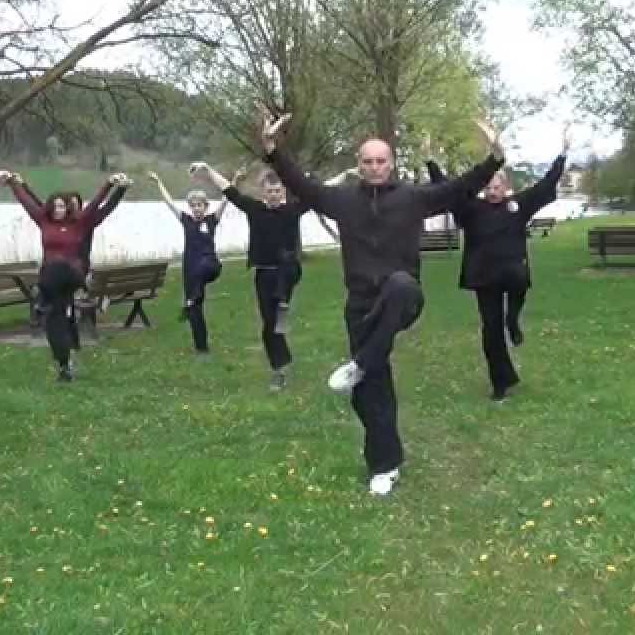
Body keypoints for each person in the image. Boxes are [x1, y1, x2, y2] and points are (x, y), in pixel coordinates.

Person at [257, 107, 504, 495]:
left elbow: (460, 188)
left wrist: (494, 159)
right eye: (367, 161)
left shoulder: (414, 198)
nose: (374, 167)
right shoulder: (341, 201)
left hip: (403, 298)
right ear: (358, 165)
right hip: (361, 305)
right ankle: (385, 465)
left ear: (391, 164)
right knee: (371, 393)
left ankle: (359, 363)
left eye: (381, 161)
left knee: (402, 284)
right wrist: (272, 150)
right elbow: (301, 184)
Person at [426, 126, 570, 402]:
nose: (493, 191)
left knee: (515, 294)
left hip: (514, 273)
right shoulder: (471, 209)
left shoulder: (519, 204)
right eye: (488, 187)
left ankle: (513, 319)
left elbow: (546, 184)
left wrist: (563, 153)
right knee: (491, 332)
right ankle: (501, 381)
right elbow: (447, 189)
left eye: (498, 187)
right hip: (484, 277)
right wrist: (430, 159)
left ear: (507, 188)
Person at [191, 163, 323, 390]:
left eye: (277, 191)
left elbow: (322, 193)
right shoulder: (254, 209)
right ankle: (279, 366)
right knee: (269, 327)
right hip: (264, 273)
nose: (273, 195)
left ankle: (282, 302)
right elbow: (229, 191)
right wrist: (208, 169)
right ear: (263, 192)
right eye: (269, 191)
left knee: (287, 265)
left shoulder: (292, 209)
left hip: (288, 271)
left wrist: (345, 176)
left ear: (283, 192)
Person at [0, 168, 128, 380]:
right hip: (52, 282)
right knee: (54, 324)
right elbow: (27, 202)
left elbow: (96, 205)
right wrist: (12, 182)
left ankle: (47, 298)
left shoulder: (79, 223)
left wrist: (110, 184)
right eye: (55, 206)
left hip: (72, 275)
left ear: (68, 208)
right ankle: (64, 365)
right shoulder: (43, 222)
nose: (58, 210)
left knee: (59, 266)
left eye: (62, 206)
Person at [147, 169, 228, 355]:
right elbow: (168, 202)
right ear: (190, 207)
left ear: (206, 206)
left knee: (202, 272)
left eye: (200, 205)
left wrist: (236, 181)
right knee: (194, 310)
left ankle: (192, 297)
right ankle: (201, 346)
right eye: (193, 205)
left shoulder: (212, 219)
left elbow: (227, 199)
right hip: (190, 267)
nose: (197, 208)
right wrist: (158, 181)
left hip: (210, 265)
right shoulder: (186, 221)